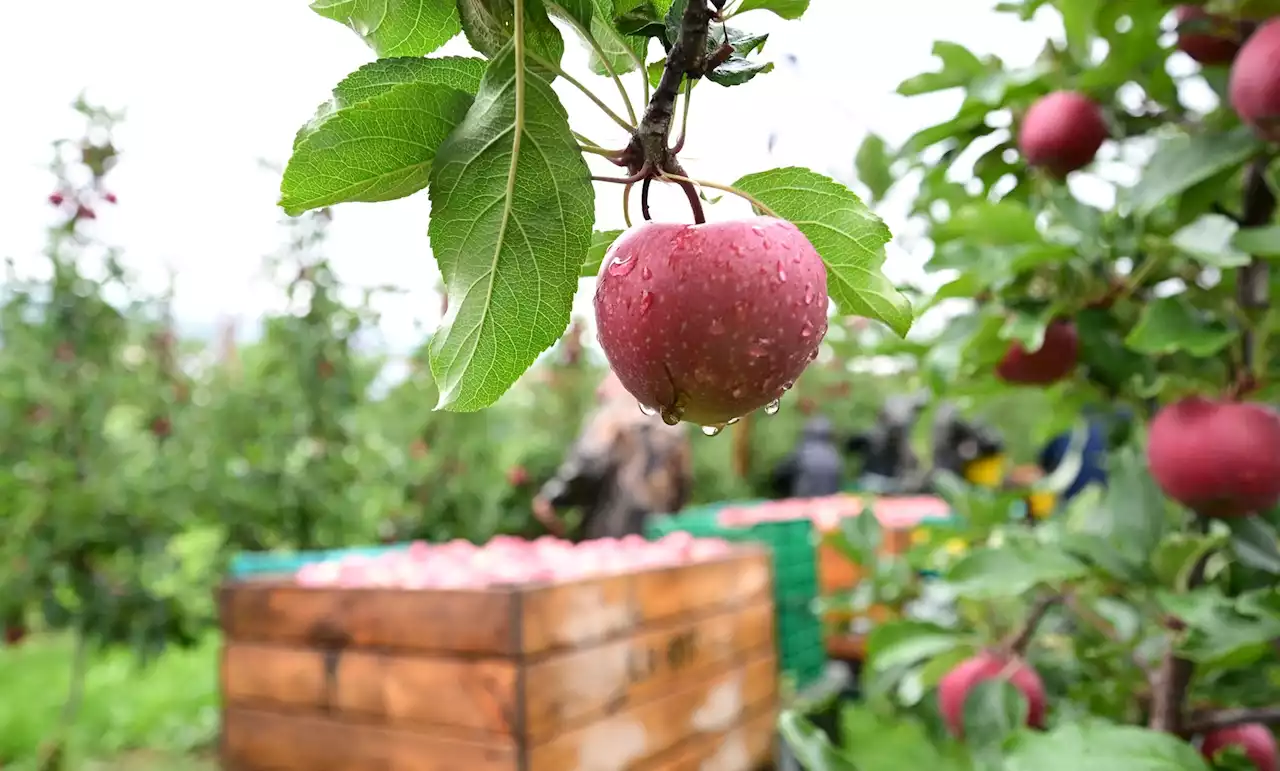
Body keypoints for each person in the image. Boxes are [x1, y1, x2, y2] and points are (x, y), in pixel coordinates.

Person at [532, 372, 693, 540]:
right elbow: (683, 483)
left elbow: (586, 469)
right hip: (658, 531)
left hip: (612, 531)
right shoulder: (673, 427)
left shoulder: (610, 420)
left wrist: (552, 497)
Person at [770, 416, 844, 499]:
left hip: (805, 501)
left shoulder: (803, 452)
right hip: (829, 502)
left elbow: (780, 474)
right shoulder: (834, 455)